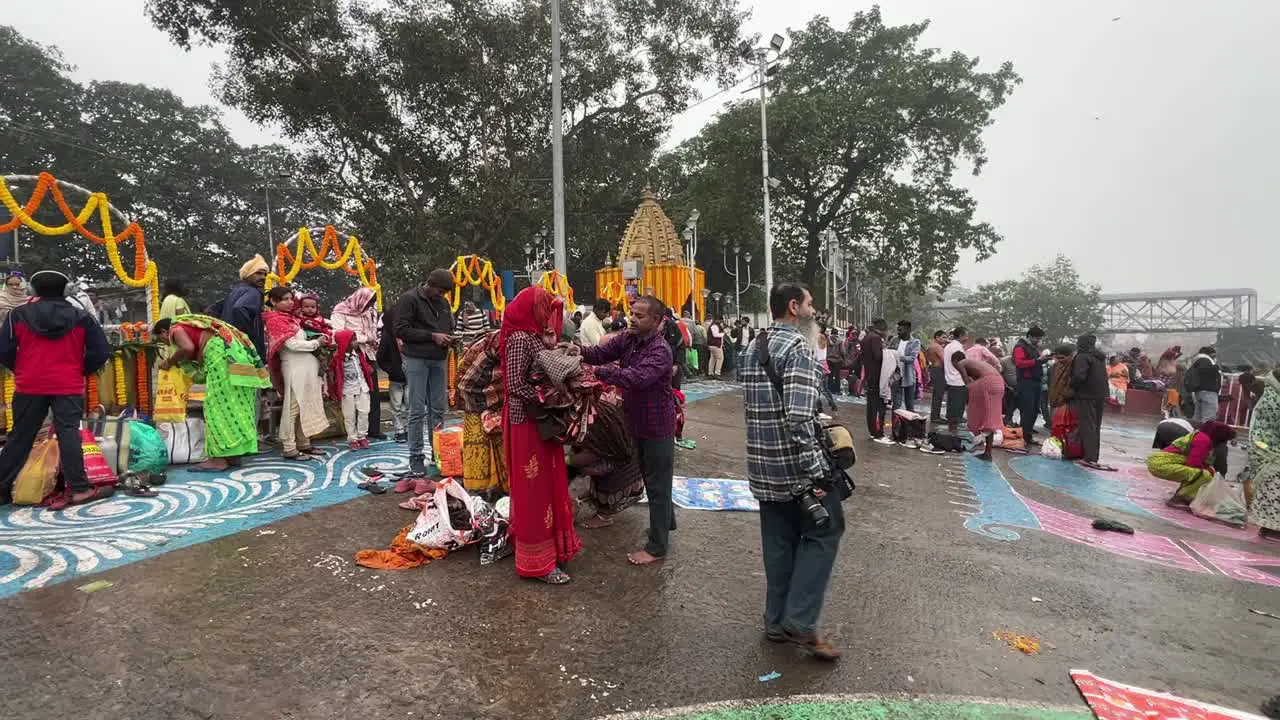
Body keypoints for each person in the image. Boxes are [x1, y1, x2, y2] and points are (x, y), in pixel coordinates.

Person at [738, 283, 842, 662]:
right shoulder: (798, 348)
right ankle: (800, 620)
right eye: (811, 304)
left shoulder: (754, 347)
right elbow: (799, 418)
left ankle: (776, 620)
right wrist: (818, 471)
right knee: (825, 530)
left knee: (779, 541)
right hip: (796, 468)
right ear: (794, 307)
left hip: (763, 463)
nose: (815, 311)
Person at [580, 296, 678, 566]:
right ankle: (666, 524)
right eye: (632, 313)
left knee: (656, 485)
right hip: (636, 422)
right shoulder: (629, 339)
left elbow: (635, 378)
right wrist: (576, 351)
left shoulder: (660, 351)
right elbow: (600, 353)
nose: (633, 318)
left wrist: (597, 371)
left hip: (657, 427)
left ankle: (657, 548)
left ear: (657, 321)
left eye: (641, 315)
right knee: (652, 477)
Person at [0, 270, 111, 506]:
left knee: (20, 436)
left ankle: (1, 490)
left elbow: (3, 350)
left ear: (32, 290)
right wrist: (79, 369)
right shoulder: (82, 316)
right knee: (68, 433)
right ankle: (80, 489)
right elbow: (101, 352)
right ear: (67, 290)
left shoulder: (16, 316)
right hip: (67, 384)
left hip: (29, 384)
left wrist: (20, 368)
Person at [500, 287, 581, 584]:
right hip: (527, 423)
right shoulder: (519, 339)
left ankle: (551, 552)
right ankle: (536, 563)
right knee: (533, 491)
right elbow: (514, 385)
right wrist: (549, 396)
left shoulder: (533, 336)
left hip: (540, 422)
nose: (549, 315)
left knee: (549, 485)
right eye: (545, 309)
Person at [154, 314, 271, 471]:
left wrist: (169, 361)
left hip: (221, 357)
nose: (167, 343)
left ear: (163, 332)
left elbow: (187, 348)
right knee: (237, 405)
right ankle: (233, 454)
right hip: (236, 355)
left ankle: (218, 459)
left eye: (162, 339)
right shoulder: (201, 328)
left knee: (216, 407)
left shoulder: (175, 328)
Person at [394, 269, 456, 475]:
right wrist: (432, 336)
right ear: (429, 284)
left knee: (438, 410)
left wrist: (449, 337)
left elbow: (447, 326)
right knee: (417, 410)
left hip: (439, 359)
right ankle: (416, 456)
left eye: (444, 293)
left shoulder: (444, 303)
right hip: (417, 359)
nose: (442, 296)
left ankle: (438, 454)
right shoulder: (409, 299)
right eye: (439, 292)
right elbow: (400, 330)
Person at [264, 287, 329, 461]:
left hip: (306, 367)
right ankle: (289, 447)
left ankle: (304, 443)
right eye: (285, 299)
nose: (290, 302)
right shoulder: (275, 320)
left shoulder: (292, 319)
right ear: (273, 301)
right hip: (294, 367)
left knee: (305, 405)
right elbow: (291, 345)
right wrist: (317, 343)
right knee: (292, 406)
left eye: (291, 298)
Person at [330, 287, 384, 440]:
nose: (368, 306)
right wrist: (363, 338)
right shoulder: (340, 311)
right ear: (360, 299)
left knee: (372, 394)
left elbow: (372, 331)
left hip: (368, 355)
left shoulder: (368, 312)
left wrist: (374, 340)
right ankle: (352, 434)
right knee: (350, 397)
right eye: (368, 303)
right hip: (349, 356)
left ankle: (372, 430)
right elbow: (338, 334)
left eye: (371, 303)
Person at [1147, 420, 1236, 507]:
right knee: (1204, 475)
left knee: (1197, 473)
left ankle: (1180, 496)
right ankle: (1180, 498)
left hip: (1159, 461)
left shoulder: (1199, 435)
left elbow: (1197, 463)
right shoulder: (1203, 440)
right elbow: (1194, 463)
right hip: (1161, 463)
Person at [1238, 370, 1280, 541]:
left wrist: (1248, 399)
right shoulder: (1271, 396)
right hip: (1267, 447)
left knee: (1269, 485)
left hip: (1265, 446)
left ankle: (1269, 526)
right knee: (1274, 484)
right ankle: (1272, 528)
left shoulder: (1269, 390)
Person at [1069, 334, 1113, 471]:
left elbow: (1079, 376)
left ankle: (1089, 458)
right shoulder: (1098, 357)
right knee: (1095, 425)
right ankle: (1093, 455)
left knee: (1087, 425)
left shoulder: (1082, 357)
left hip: (1086, 395)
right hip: (1100, 395)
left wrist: (1072, 386)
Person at [952, 350, 1004, 460]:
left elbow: (967, 384)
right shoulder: (975, 363)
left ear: (955, 361)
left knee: (974, 413)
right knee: (989, 417)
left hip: (987, 383)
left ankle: (979, 441)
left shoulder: (961, 363)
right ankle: (987, 452)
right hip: (999, 382)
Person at [220, 255, 269, 361]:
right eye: (258, 273)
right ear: (248, 274)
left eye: (265, 274)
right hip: (245, 347)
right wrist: (250, 337)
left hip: (229, 344)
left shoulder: (236, 290)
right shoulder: (253, 292)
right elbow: (240, 309)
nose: (263, 277)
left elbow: (213, 310)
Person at [332, 329, 373, 451]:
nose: (356, 342)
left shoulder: (358, 354)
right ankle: (352, 438)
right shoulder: (338, 358)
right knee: (349, 415)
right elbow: (332, 373)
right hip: (347, 390)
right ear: (345, 342)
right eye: (353, 340)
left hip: (362, 387)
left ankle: (362, 436)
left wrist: (368, 370)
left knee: (364, 412)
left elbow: (364, 367)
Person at [376, 304, 409, 443]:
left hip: (411, 376)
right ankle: (399, 431)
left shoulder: (408, 333)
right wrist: (392, 370)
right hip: (396, 377)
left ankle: (408, 429)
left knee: (409, 404)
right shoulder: (387, 337)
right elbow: (381, 358)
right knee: (396, 406)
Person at [1011, 326, 1048, 443]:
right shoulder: (1020, 347)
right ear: (1030, 336)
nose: (1039, 341)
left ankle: (1027, 436)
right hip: (1026, 382)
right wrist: (1037, 361)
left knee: (1034, 410)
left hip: (1036, 382)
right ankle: (1023, 436)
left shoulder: (1034, 348)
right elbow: (1019, 363)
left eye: (1040, 338)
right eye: (1037, 338)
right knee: (1027, 410)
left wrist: (1043, 359)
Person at [860, 319, 889, 443]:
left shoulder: (866, 337)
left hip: (869, 375)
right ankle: (879, 433)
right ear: (883, 329)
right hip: (877, 376)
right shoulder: (876, 338)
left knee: (871, 405)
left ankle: (872, 431)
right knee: (878, 406)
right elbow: (878, 356)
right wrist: (888, 354)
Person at [886, 321, 920, 413]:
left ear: (908, 330)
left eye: (901, 330)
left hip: (908, 375)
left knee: (910, 404)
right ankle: (896, 424)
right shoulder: (894, 340)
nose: (898, 332)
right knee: (896, 404)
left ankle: (910, 425)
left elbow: (912, 358)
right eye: (898, 330)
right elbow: (888, 352)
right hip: (896, 375)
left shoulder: (915, 342)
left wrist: (898, 357)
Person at [1183, 346, 1222, 425]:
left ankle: (1194, 434)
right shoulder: (1205, 360)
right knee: (1209, 417)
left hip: (1200, 392)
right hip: (1208, 392)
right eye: (1214, 355)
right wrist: (1216, 367)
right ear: (1210, 354)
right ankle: (1205, 435)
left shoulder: (1197, 361)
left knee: (1198, 416)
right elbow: (1206, 371)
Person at [943, 327, 970, 434]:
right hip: (958, 380)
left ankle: (951, 426)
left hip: (950, 378)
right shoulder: (957, 348)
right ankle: (953, 430)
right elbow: (960, 365)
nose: (967, 338)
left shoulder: (949, 346)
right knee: (957, 406)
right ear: (960, 336)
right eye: (966, 335)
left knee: (952, 405)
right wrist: (966, 379)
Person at [814, 326, 838, 413]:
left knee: (820, 388)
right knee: (823, 388)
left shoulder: (818, 337)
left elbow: (815, 351)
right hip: (823, 363)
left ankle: (822, 407)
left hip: (818, 364)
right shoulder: (824, 337)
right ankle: (830, 405)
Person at [926, 330, 948, 422]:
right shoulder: (937, 347)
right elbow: (944, 359)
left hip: (934, 369)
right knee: (938, 394)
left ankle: (935, 416)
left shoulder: (931, 346)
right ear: (937, 337)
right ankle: (935, 417)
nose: (945, 339)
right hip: (938, 370)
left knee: (937, 394)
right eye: (943, 337)